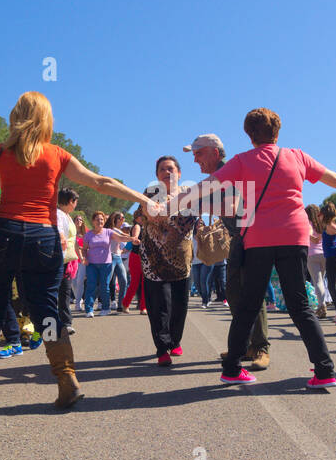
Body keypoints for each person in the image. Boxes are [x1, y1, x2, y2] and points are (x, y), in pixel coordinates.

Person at [0, 91, 158, 407]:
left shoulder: (1, 153)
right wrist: (144, 199)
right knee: (47, 312)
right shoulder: (57, 155)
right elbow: (100, 182)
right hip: (43, 238)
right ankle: (66, 378)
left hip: (4, 235)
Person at [179, 109, 336, 387]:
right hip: (294, 237)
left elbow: (205, 186)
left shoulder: (242, 161)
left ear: (249, 135)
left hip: (258, 239)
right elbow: (331, 177)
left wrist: (171, 202)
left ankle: (232, 369)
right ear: (277, 132)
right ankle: (324, 371)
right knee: (300, 305)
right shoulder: (297, 156)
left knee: (248, 305)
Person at [185, 133, 270, 370]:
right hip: (237, 241)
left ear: (215, 152)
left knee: (252, 294)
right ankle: (244, 345)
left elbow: (240, 208)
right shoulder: (217, 177)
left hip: (253, 238)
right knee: (233, 294)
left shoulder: (233, 172)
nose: (195, 160)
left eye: (198, 154)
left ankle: (260, 347)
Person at [136, 157, 200, 366]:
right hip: (153, 261)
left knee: (180, 305)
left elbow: (192, 220)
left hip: (181, 260)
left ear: (179, 173)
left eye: (170, 168)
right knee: (159, 305)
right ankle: (162, 348)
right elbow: (140, 217)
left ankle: (175, 341)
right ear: (157, 175)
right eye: (162, 169)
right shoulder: (150, 194)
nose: (166, 172)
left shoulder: (189, 195)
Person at [81, 210, 133, 316]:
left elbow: (120, 238)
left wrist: (132, 239)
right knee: (91, 286)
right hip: (92, 264)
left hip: (106, 264)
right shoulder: (88, 234)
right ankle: (89, 309)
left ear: (104, 221)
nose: (99, 221)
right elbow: (84, 249)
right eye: (97, 219)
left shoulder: (108, 232)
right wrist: (85, 258)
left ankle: (105, 308)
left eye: (102, 219)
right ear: (93, 221)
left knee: (105, 286)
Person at [56, 189, 79, 331]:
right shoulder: (58, 214)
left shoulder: (67, 215)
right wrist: (62, 238)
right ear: (71, 201)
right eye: (75, 201)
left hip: (67, 260)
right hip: (60, 260)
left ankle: (65, 322)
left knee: (65, 291)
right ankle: (61, 322)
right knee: (60, 292)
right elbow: (58, 230)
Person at [305, 204, 330, 318]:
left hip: (312, 255)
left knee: (317, 281)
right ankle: (323, 303)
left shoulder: (307, 224)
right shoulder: (322, 224)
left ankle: (321, 305)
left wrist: (311, 238)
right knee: (322, 281)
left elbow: (311, 236)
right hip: (324, 254)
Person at [107, 211, 131, 310]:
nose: (123, 220)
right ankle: (102, 303)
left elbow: (125, 237)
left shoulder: (118, 230)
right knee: (106, 281)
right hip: (110, 257)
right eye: (122, 218)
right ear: (116, 219)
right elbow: (124, 238)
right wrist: (133, 238)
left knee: (124, 280)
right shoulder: (112, 230)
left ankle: (121, 304)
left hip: (118, 258)